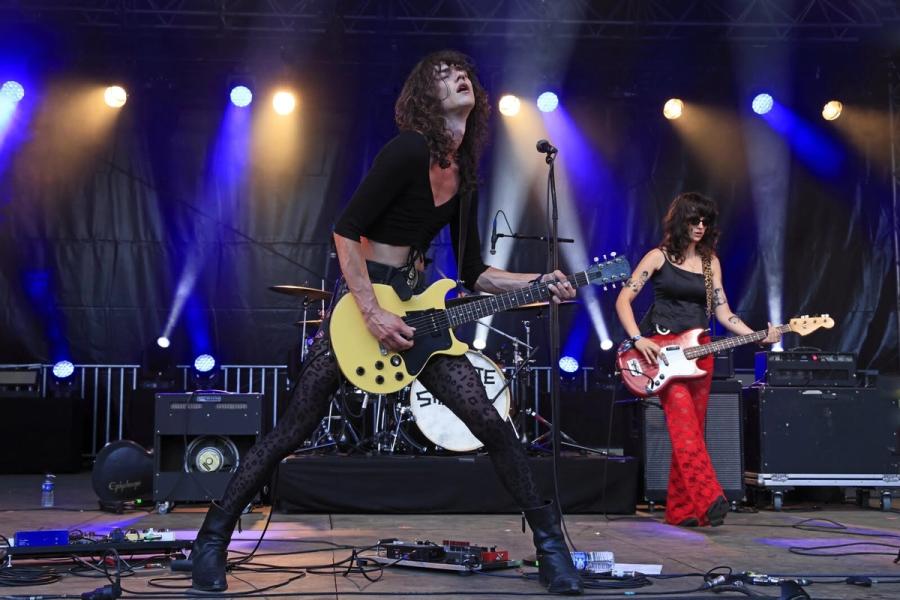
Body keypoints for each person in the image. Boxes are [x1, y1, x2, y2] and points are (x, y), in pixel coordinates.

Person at [189, 50, 583, 595]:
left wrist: (541, 281)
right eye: (445, 75)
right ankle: (210, 541)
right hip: (360, 306)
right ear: (426, 95)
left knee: (491, 422)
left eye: (464, 73)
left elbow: (474, 273)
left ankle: (551, 548)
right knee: (292, 430)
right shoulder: (408, 150)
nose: (459, 78)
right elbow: (345, 230)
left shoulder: (465, 175)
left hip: (414, 311)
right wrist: (371, 312)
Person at [614, 192, 780, 527]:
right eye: (694, 220)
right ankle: (709, 498)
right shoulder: (658, 257)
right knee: (685, 428)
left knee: (692, 432)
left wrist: (757, 334)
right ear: (680, 221)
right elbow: (623, 300)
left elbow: (723, 311)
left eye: (705, 221)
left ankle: (681, 511)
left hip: (700, 354)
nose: (700, 226)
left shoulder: (710, 263)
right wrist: (638, 339)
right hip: (662, 354)